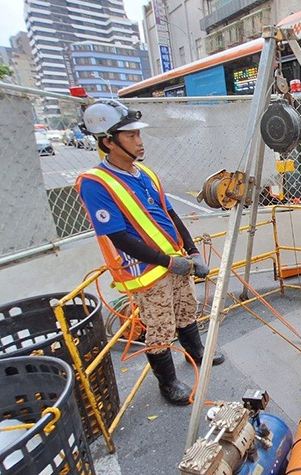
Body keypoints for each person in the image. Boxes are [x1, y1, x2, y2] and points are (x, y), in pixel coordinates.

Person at [75, 99, 224, 406]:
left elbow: (171, 214)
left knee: (186, 308)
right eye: (130, 136)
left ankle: (196, 352)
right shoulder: (96, 183)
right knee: (159, 326)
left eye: (138, 134)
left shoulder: (145, 173)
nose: (139, 141)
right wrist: (168, 262)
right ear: (108, 142)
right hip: (146, 271)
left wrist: (193, 251)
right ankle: (168, 384)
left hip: (176, 261)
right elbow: (118, 237)